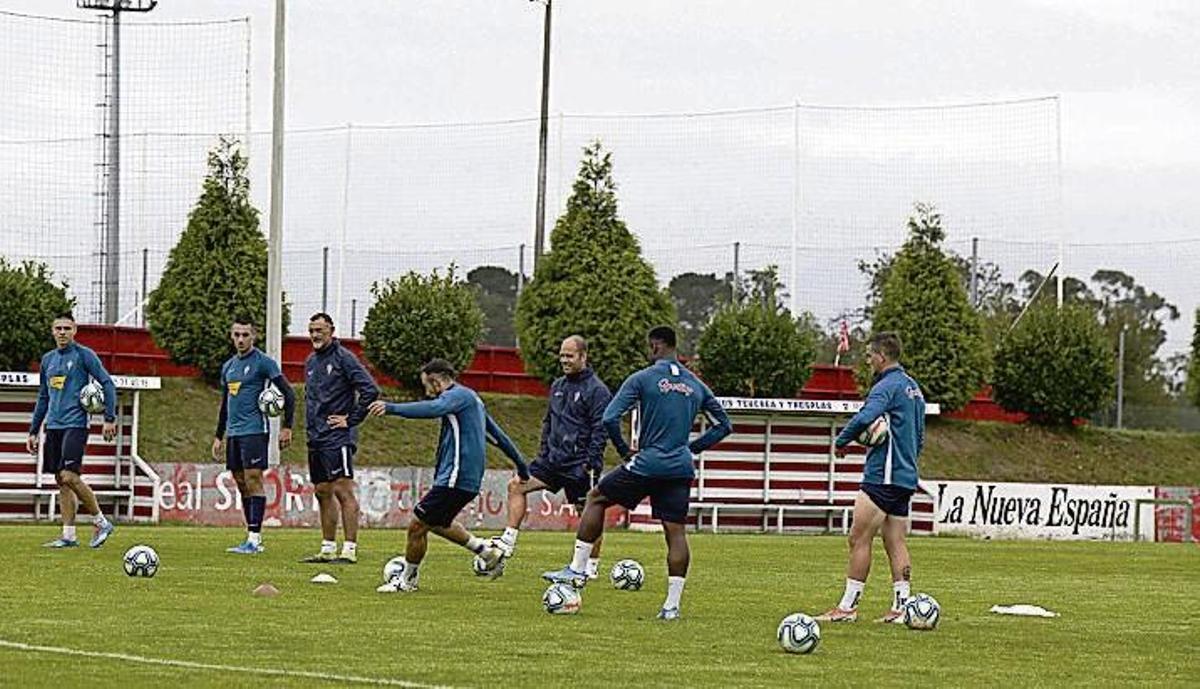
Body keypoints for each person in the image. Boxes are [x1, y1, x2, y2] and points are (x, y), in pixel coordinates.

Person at [543, 326, 732, 620]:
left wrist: (623, 450)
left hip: (648, 462)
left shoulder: (643, 378)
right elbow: (724, 425)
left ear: (655, 346)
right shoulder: (696, 385)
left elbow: (609, 417)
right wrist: (690, 449)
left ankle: (577, 570)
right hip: (680, 467)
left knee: (596, 498)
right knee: (675, 532)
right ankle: (671, 607)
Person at [370, 358, 529, 593]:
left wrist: (391, 407)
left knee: (417, 526)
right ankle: (486, 552)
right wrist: (521, 466)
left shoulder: (457, 396)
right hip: (465, 478)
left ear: (435, 381)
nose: (427, 392)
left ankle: (407, 581)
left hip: (456, 475)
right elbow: (498, 437)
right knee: (436, 522)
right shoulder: (472, 400)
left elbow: (433, 409)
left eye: (426, 385)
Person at [815, 331, 926, 624]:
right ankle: (902, 607)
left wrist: (842, 441)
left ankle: (847, 607)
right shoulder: (913, 388)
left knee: (858, 538)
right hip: (905, 477)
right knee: (895, 541)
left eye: (869, 356)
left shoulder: (886, 386)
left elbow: (865, 416)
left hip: (882, 476)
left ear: (882, 356)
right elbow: (920, 435)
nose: (867, 361)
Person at [494, 335, 611, 578]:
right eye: (562, 356)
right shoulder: (557, 386)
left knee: (588, 513)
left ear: (583, 356)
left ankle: (591, 566)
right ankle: (508, 541)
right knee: (516, 485)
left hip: (579, 464)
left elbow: (601, 429)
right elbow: (549, 422)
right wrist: (543, 451)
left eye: (569, 356)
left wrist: (591, 462)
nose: (564, 360)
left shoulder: (597, 390)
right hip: (552, 461)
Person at [27, 312, 118, 548]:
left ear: (75, 330)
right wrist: (33, 430)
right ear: (52, 331)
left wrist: (109, 417)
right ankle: (68, 535)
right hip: (53, 426)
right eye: (58, 328)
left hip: (76, 424)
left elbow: (107, 383)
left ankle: (101, 521)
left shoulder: (84, 355)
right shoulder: (48, 360)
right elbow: (43, 397)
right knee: (61, 480)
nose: (62, 332)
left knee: (69, 475)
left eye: (67, 328)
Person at [211, 317, 296, 554]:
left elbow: (288, 394)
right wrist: (219, 435)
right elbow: (225, 404)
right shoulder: (228, 367)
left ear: (254, 336)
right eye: (236, 334)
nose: (240, 339)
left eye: (245, 335)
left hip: (255, 431)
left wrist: (287, 427)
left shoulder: (263, 363)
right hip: (234, 434)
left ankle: (255, 539)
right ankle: (250, 535)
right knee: (240, 482)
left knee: (253, 479)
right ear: (231, 336)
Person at [300, 312, 379, 564]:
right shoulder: (311, 361)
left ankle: (350, 550)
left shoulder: (344, 358)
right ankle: (327, 548)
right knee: (322, 491)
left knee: (342, 490)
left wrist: (351, 419)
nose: (315, 335)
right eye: (311, 331)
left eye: (319, 330)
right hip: (316, 436)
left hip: (338, 436)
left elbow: (370, 390)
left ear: (331, 331)